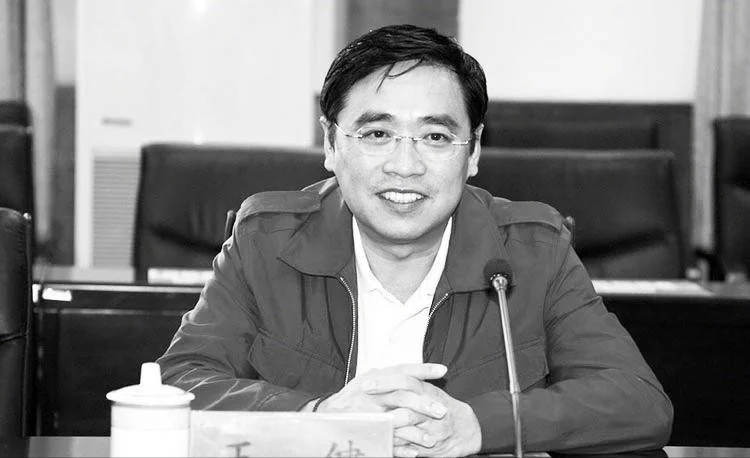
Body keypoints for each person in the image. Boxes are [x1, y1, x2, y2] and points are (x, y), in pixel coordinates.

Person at [157, 24, 673, 457]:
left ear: (473, 152)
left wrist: (479, 425)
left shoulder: (533, 252)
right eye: (377, 134)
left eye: (435, 137)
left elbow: (639, 403)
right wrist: (317, 417)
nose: (405, 166)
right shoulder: (265, 242)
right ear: (331, 143)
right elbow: (178, 384)